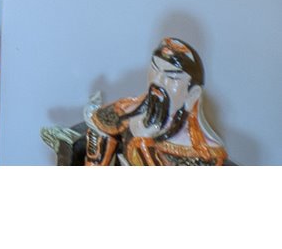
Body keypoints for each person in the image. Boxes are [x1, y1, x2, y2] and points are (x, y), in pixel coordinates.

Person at [84, 38, 227, 166]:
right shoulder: (127, 113)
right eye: (154, 69)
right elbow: (99, 128)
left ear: (192, 93)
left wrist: (143, 144)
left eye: (171, 77)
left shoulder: (205, 154)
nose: (157, 81)